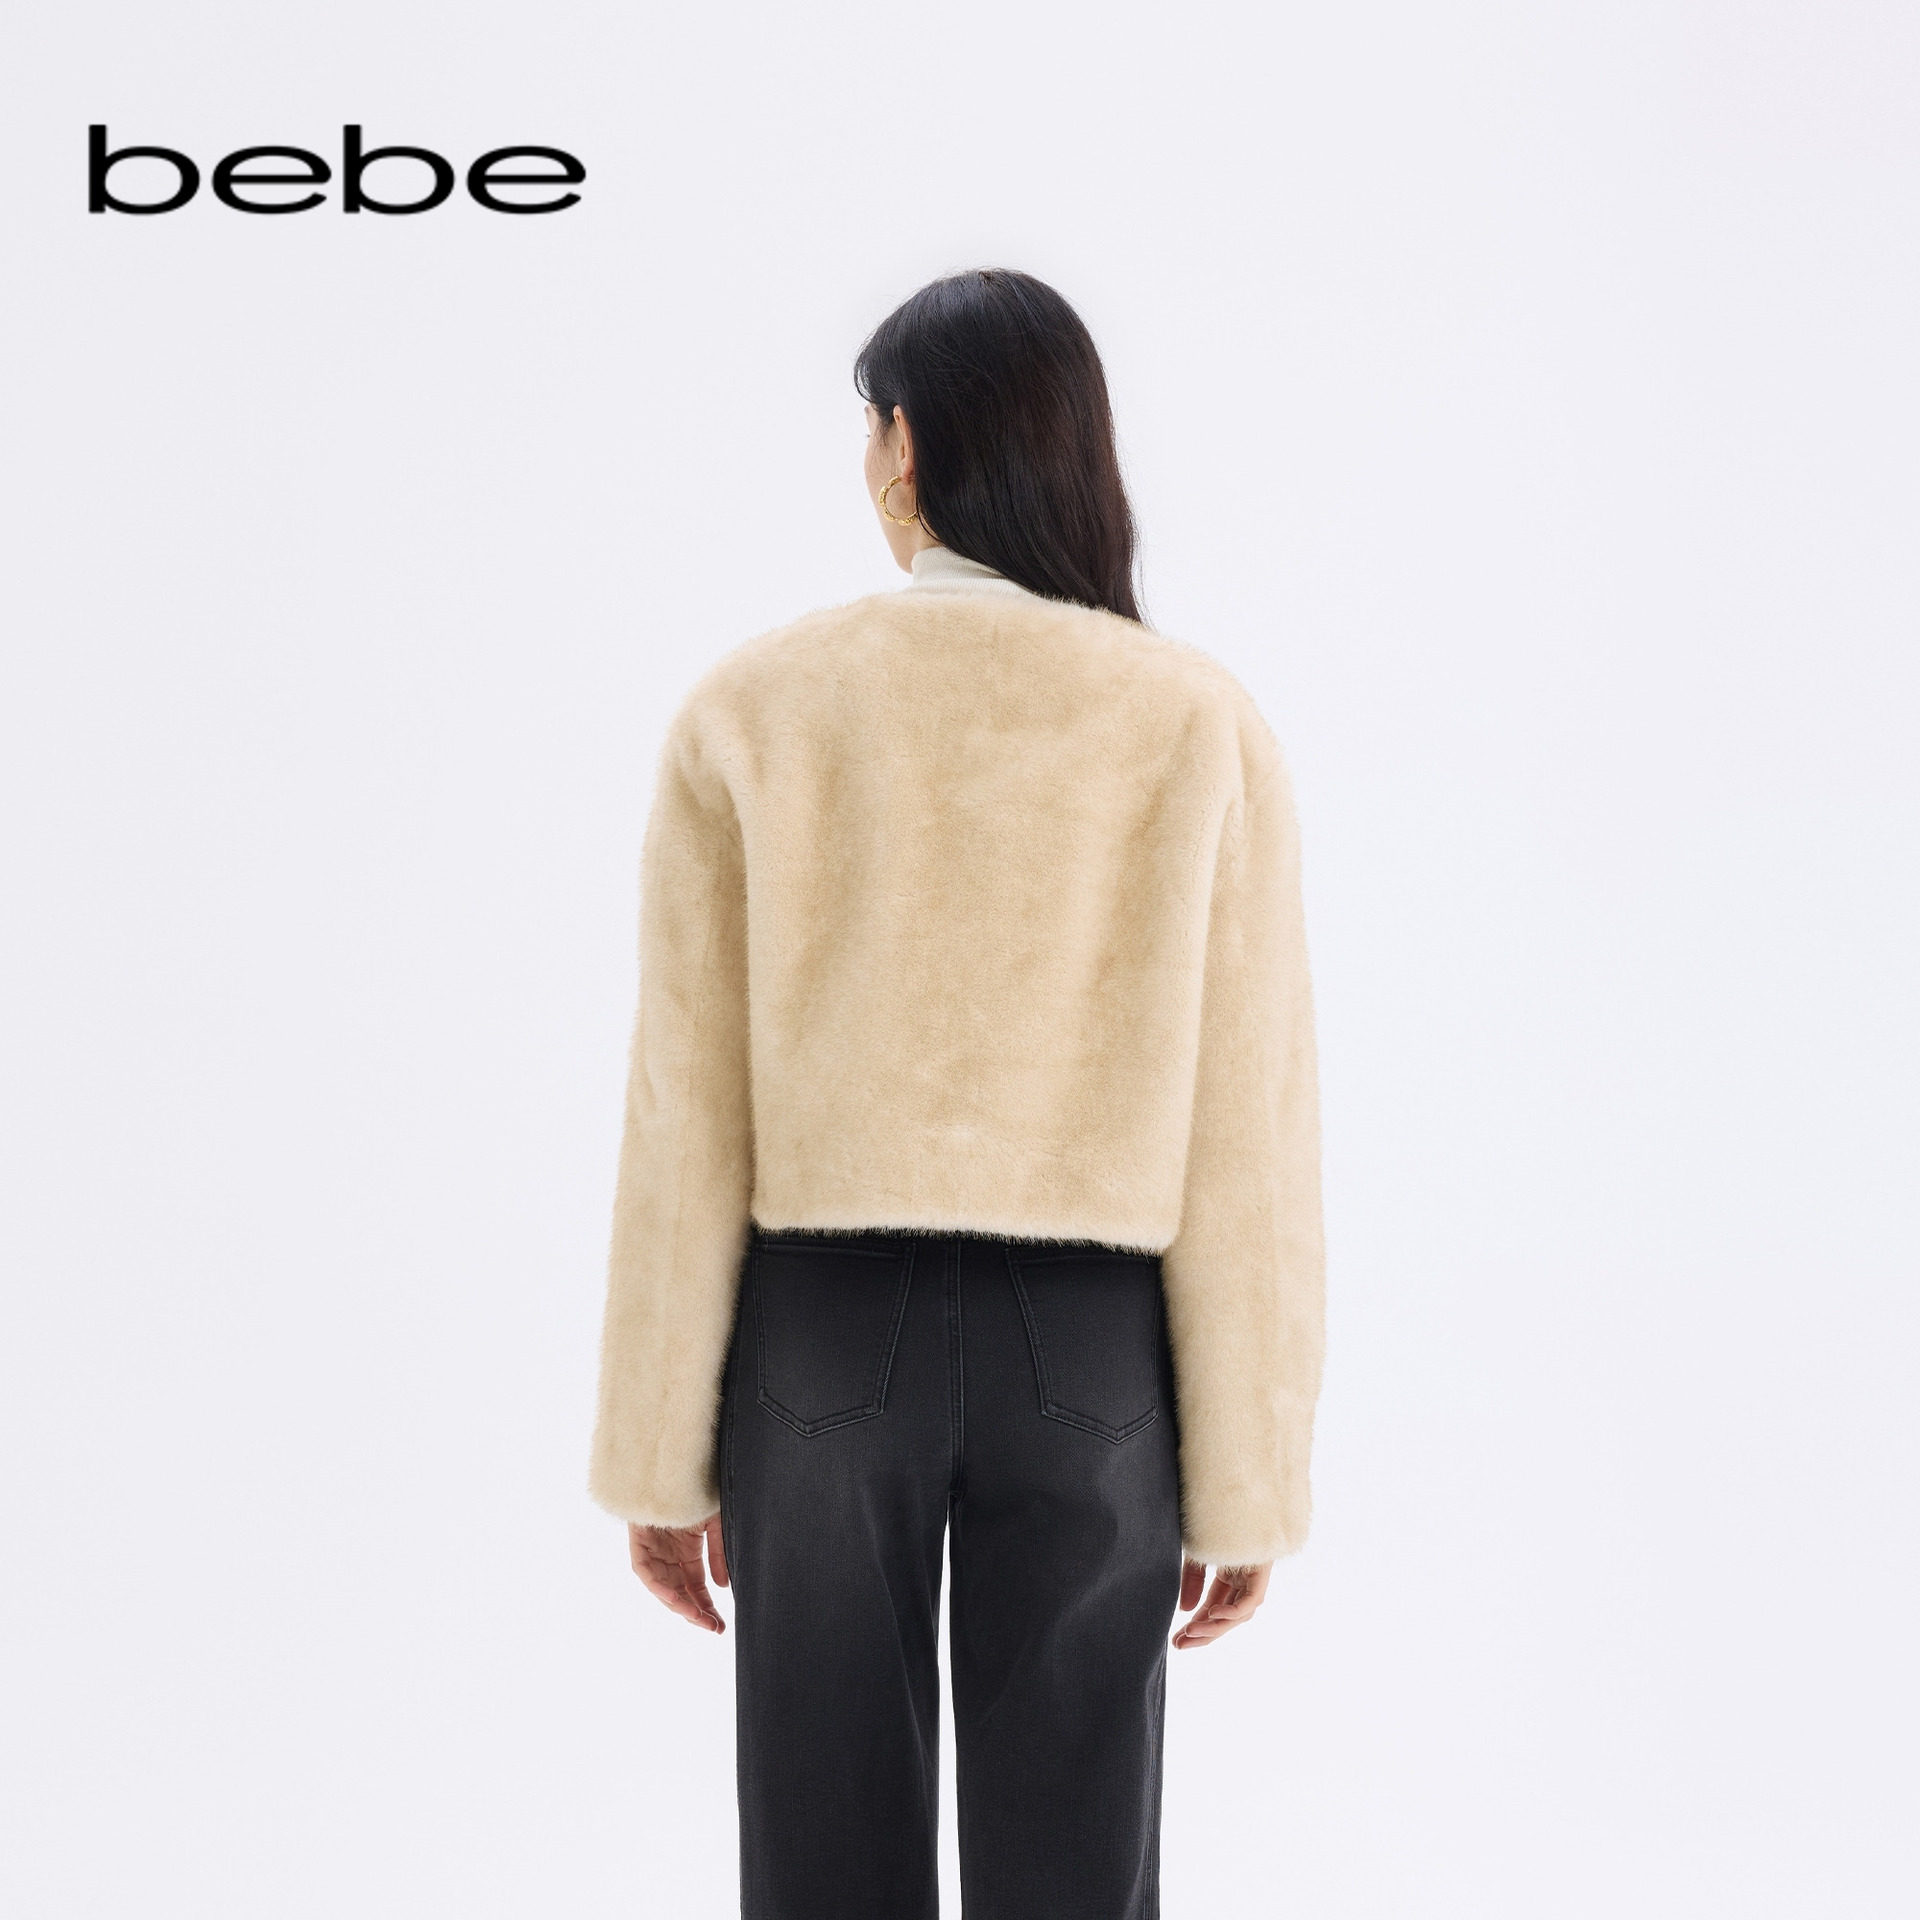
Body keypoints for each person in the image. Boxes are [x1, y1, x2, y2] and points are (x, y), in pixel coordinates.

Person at [588, 267, 1325, 1920]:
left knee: (820, 1832)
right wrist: (1251, 1470)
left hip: (821, 1333)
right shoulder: (1194, 723)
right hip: (1093, 1344)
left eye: (870, 430)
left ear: (906, 446)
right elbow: (1249, 1134)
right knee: (1078, 1840)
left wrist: (657, 1452)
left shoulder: (753, 709)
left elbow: (683, 1115)